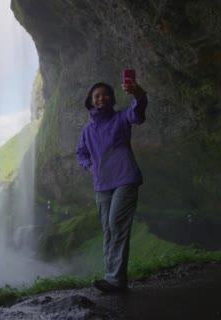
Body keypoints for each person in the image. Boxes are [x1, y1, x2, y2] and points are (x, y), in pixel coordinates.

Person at [75, 80, 148, 293]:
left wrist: (139, 94)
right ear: (90, 101)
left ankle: (115, 279)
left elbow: (138, 114)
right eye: (97, 95)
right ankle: (112, 277)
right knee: (108, 230)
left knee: (117, 224)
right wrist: (90, 167)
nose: (101, 98)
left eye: (106, 94)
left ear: (112, 99)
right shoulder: (87, 130)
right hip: (101, 184)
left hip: (125, 178)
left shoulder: (121, 118)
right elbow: (81, 153)